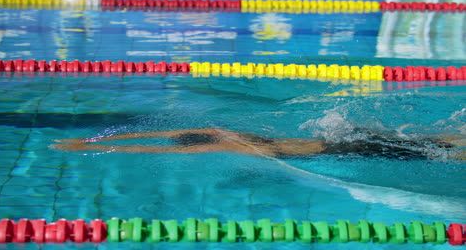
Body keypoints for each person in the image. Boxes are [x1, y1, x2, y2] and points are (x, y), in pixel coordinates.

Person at [51, 128, 464, 161]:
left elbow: (151, 149)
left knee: (425, 154)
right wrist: (90, 139)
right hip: (332, 139)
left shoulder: (215, 147)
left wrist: (88, 146)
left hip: (336, 150)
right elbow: (147, 138)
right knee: (415, 143)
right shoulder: (218, 131)